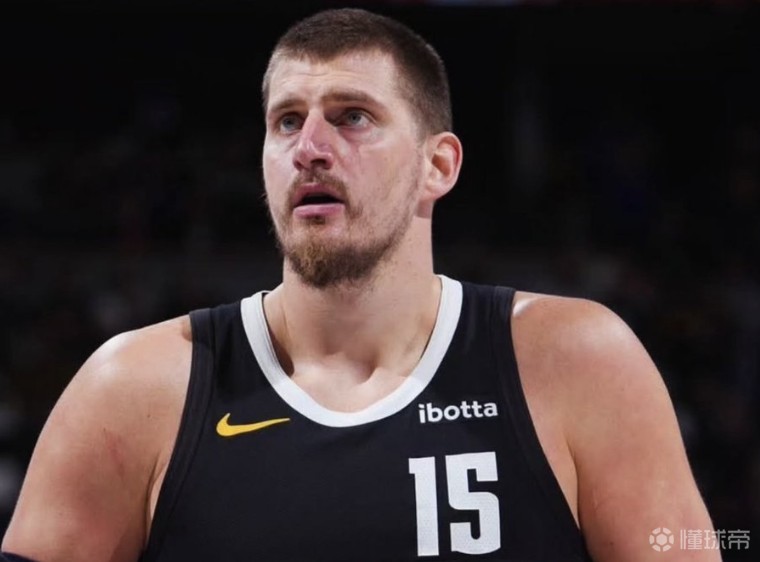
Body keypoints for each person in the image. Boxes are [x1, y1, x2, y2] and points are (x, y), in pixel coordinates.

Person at [2, 8, 719, 562]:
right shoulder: (131, 392)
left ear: (438, 166)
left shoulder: (577, 362)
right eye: (287, 122)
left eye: (352, 117)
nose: (310, 148)